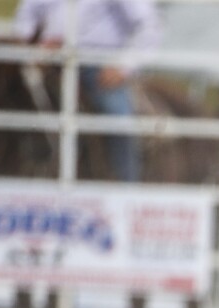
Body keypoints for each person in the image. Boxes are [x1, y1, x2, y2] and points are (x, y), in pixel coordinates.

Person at [13, 0, 161, 184]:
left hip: (98, 65)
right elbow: (26, 18)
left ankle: (125, 186)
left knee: (117, 117)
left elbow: (147, 25)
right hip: (46, 64)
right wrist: (33, 45)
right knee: (8, 106)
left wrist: (123, 66)